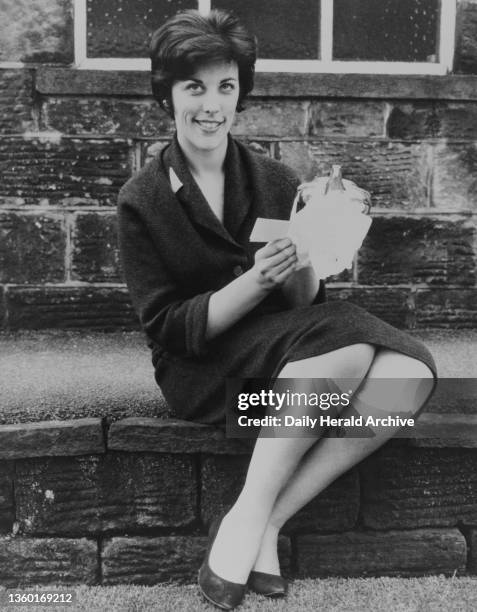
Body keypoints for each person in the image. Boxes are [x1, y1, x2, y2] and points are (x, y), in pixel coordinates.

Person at [117, 8, 437, 609]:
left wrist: (307, 257)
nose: (211, 104)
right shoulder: (143, 199)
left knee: (408, 374)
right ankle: (248, 526)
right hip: (205, 375)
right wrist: (258, 281)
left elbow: (308, 305)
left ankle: (258, 518)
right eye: (195, 87)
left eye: (226, 87)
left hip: (287, 370)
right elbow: (169, 329)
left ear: (241, 93)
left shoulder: (273, 178)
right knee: (347, 348)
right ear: (167, 95)